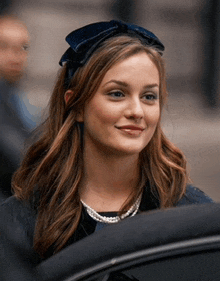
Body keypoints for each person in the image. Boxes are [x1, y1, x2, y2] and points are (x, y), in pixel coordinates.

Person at [0, 20, 213, 263]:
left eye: (149, 96)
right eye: (117, 94)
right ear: (76, 104)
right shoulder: (21, 222)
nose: (137, 111)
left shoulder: (192, 214)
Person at [0, 15, 38, 200]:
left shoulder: (15, 96)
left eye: (23, 48)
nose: (16, 55)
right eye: (3, 46)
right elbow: (20, 158)